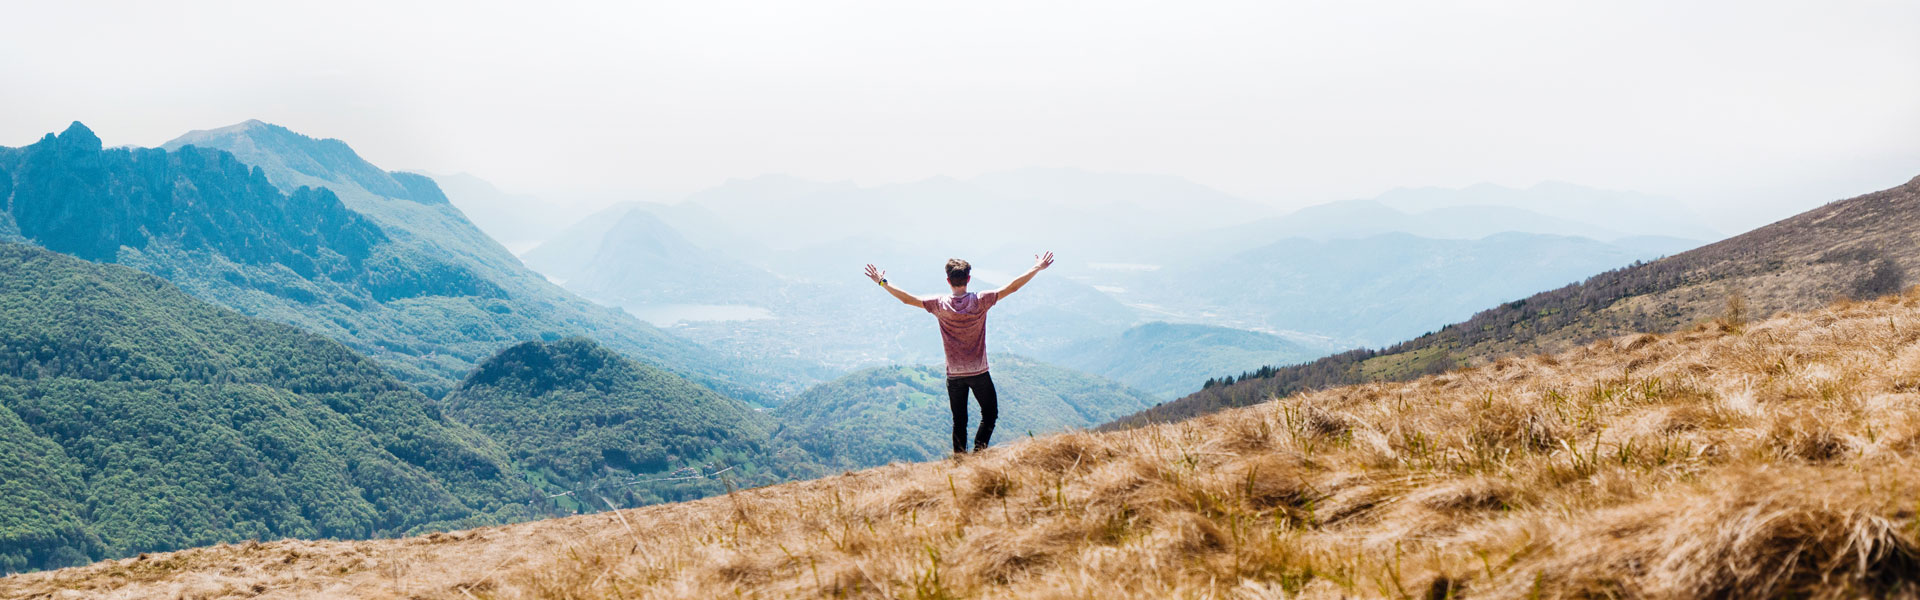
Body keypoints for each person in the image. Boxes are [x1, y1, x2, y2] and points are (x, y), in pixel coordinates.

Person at [864, 252, 1054, 455]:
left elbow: (907, 300)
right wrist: (1037, 268)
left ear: (948, 280)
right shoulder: (981, 301)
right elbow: (1013, 287)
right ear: (969, 279)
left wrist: (881, 282)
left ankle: (959, 460)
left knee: (959, 420)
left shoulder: (939, 304)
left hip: (954, 375)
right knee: (989, 414)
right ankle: (979, 453)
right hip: (979, 372)